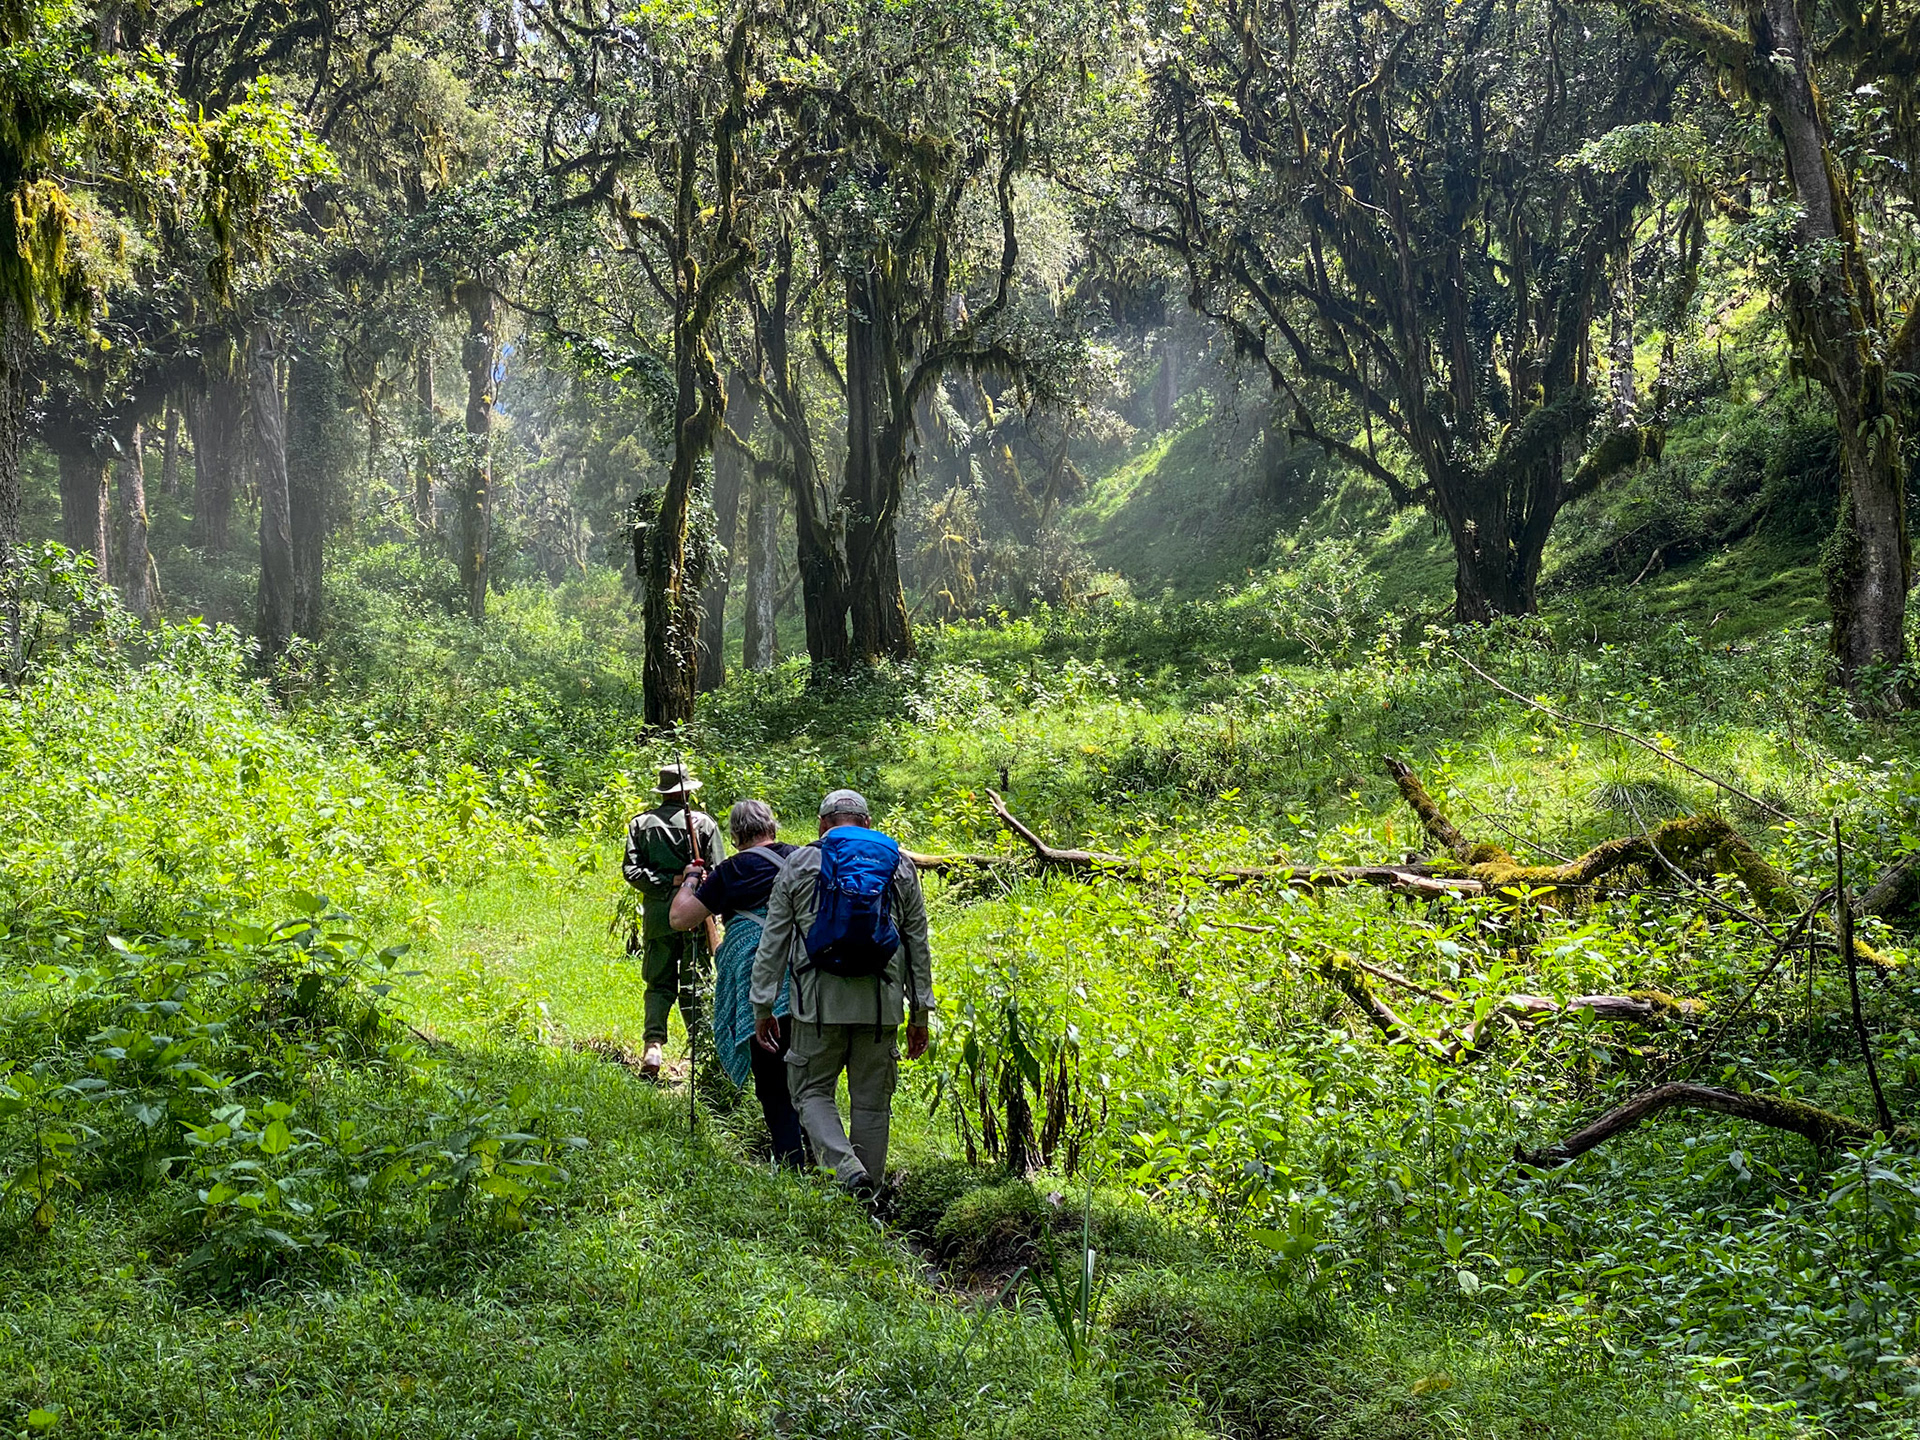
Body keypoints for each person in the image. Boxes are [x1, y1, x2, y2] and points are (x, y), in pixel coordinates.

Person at [751, 788, 933, 1198]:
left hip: (817, 1006)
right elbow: (917, 942)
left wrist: (762, 1005)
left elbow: (774, 941)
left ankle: (848, 1174)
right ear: (867, 824)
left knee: (811, 1091)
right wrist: (921, 1014)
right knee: (871, 1104)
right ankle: (868, 1199)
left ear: (822, 825)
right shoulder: (899, 866)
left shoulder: (800, 863)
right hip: (881, 1006)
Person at [668, 799, 807, 1167]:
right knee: (811, 1085)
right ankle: (828, 1166)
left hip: (761, 989)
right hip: (811, 984)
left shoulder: (732, 871)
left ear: (735, 835)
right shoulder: (801, 859)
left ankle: (792, 1167)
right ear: (772, 828)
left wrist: (693, 878)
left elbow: (681, 917)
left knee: (774, 1084)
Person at [622, 763, 726, 1080]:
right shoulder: (705, 824)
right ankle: (703, 1051)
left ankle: (653, 1048)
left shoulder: (640, 824)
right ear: (687, 792)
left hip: (658, 918)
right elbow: (719, 875)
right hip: (695, 914)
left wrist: (666, 882)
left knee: (658, 985)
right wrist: (686, 880)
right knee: (697, 985)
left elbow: (632, 872)